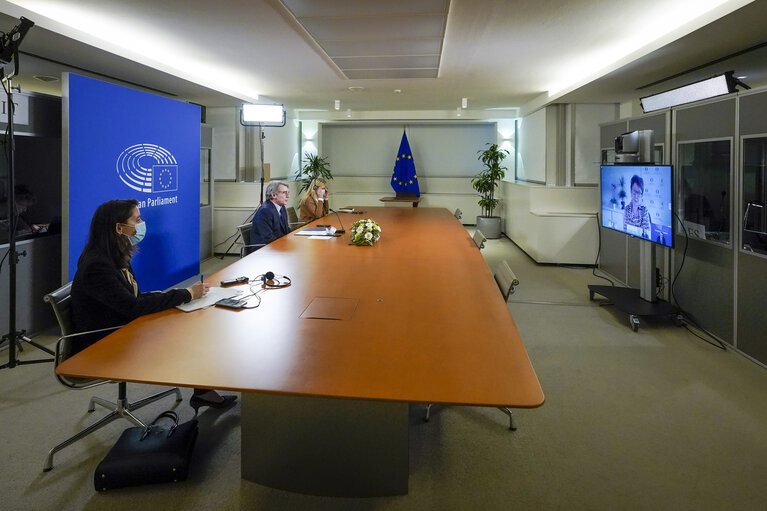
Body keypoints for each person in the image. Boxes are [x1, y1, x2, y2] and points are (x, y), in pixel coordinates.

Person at [70, 199, 236, 413]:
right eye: (137, 219)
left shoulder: (115, 252)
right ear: (118, 228)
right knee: (189, 334)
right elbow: (133, 306)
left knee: (191, 323)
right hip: (106, 341)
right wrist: (185, 294)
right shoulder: (98, 264)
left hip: (124, 325)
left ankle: (203, 391)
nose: (141, 224)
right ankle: (204, 391)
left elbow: (130, 298)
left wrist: (178, 296)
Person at [251, 180, 290, 245]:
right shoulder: (265, 211)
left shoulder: (282, 207)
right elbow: (268, 238)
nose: (288, 196)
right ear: (274, 195)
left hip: (277, 245)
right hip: (263, 250)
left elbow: (285, 230)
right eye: (284, 193)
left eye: (288, 192)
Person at [623, 174, 651, 239]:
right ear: (630, 191)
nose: (636, 197)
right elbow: (625, 230)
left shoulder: (644, 210)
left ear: (642, 194)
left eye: (639, 193)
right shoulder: (627, 209)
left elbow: (646, 233)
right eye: (634, 193)